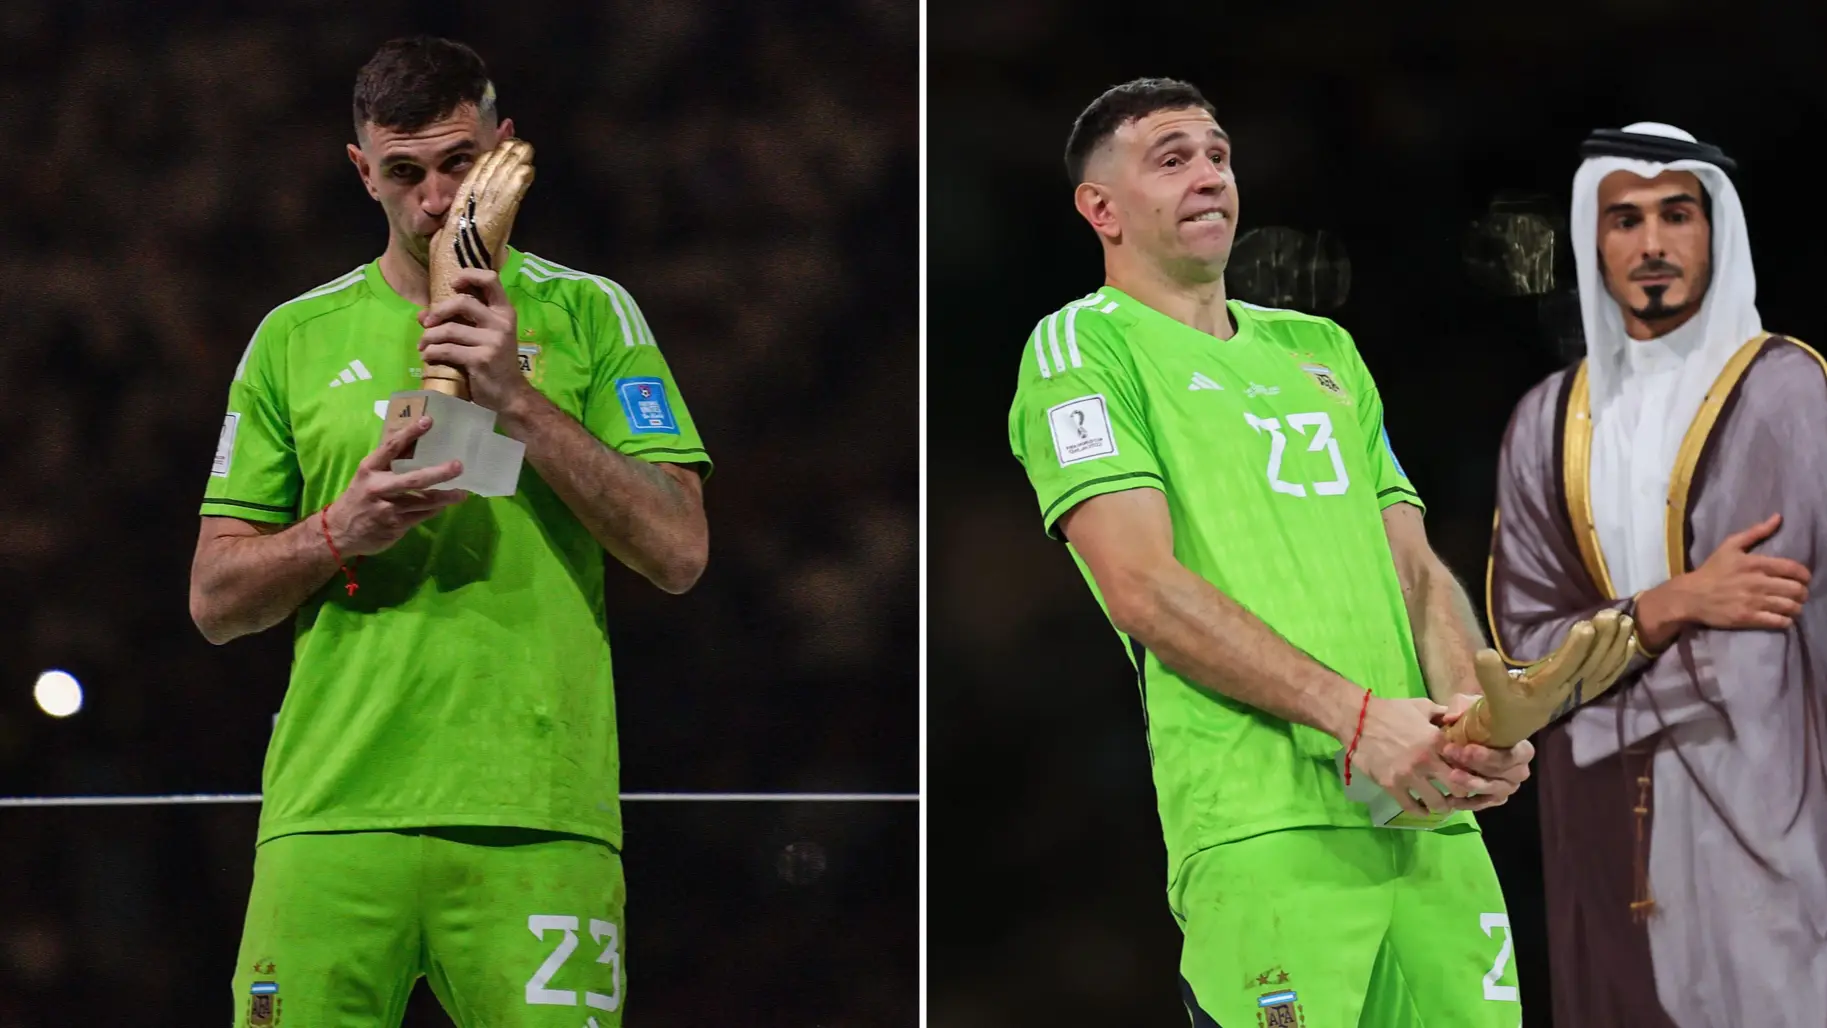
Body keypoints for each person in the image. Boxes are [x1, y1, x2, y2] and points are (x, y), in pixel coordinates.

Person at [187, 36, 710, 1028]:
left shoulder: (594, 314)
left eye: (459, 163)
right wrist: (341, 529)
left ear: (505, 150)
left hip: (538, 815)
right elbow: (214, 600)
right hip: (331, 814)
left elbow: (679, 549)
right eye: (404, 172)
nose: (435, 200)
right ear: (362, 173)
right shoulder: (292, 337)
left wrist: (517, 397)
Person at [1006, 77, 1533, 1027]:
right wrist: (1356, 717)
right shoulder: (1081, 350)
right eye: (1171, 159)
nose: (1208, 175)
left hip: (1429, 823)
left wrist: (1467, 719)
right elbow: (1140, 586)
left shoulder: (1320, 347)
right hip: (1262, 829)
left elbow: (1413, 568)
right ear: (1100, 207)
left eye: (1217, 154)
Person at [1488, 122, 1827, 1028]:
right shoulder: (1541, 423)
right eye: (1622, 219)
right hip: (1595, 814)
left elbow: (1764, 632)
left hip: (1768, 807)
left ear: (1716, 230)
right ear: (1590, 239)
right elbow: (1524, 652)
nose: (1650, 245)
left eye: (1676, 215)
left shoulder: (1784, 394)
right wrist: (1671, 604)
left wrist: (1597, 693)